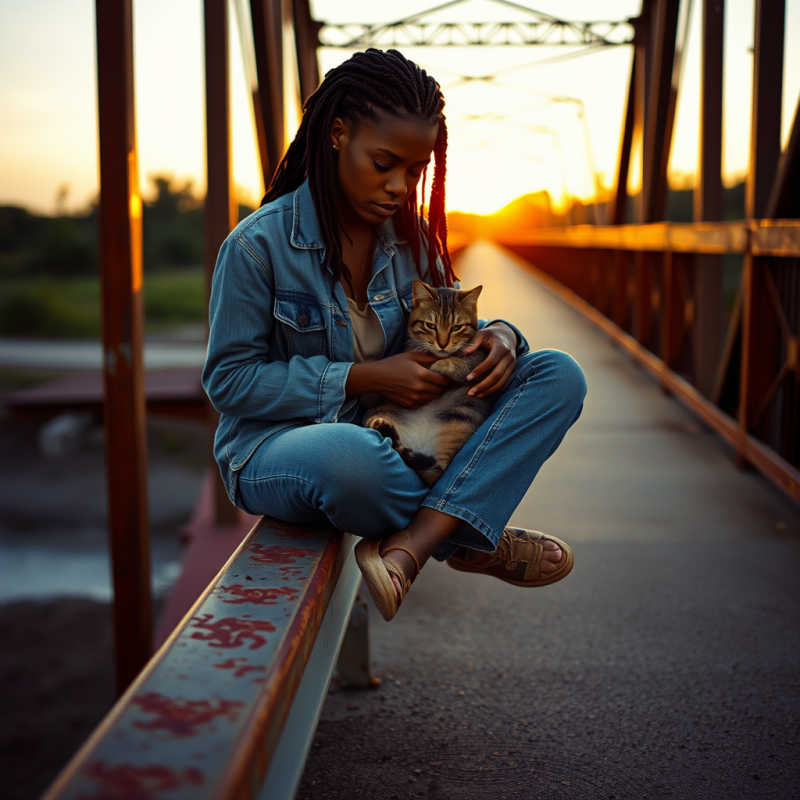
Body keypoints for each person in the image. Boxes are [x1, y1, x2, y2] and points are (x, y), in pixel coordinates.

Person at [202, 49, 587, 622]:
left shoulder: (413, 243)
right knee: (354, 463)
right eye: (383, 163)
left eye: (415, 170)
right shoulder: (256, 247)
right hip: (279, 447)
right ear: (337, 134)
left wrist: (503, 336)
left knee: (559, 373)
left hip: (399, 433)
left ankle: (413, 544)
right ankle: (464, 532)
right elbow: (229, 384)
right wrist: (364, 376)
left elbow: (460, 322)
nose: (400, 186)